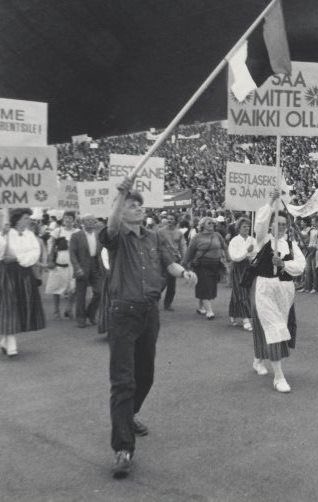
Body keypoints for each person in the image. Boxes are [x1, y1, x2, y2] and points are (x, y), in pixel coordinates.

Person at [101, 177, 196, 479]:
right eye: (132, 205)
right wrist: (119, 196)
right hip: (123, 314)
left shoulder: (153, 237)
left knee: (146, 375)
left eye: (140, 205)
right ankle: (123, 448)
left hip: (148, 314)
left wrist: (184, 272)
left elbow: (169, 263)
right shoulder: (116, 237)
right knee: (123, 381)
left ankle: (129, 416)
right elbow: (111, 224)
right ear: (122, 210)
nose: (138, 209)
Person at [250, 190, 306, 393]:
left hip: (285, 292)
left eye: (283, 225)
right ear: (272, 226)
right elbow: (259, 226)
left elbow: (301, 266)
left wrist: (283, 263)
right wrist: (270, 202)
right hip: (265, 288)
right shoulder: (263, 241)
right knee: (274, 328)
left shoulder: (291, 244)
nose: (281, 228)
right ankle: (279, 377)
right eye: (277, 224)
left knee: (277, 327)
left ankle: (258, 359)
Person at [0, 208, 46, 357]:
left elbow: (34, 254)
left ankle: (6, 340)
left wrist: (17, 258)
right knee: (8, 306)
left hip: (23, 273)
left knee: (19, 306)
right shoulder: (5, 233)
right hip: (6, 273)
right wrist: (2, 235)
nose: (28, 221)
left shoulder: (30, 235)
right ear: (17, 219)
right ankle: (11, 343)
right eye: (25, 218)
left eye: (29, 218)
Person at [183, 216, 227, 319]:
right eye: (209, 223)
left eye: (212, 223)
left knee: (208, 287)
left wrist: (228, 257)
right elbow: (190, 251)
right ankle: (209, 312)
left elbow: (224, 246)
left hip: (215, 265)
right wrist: (185, 264)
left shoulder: (217, 235)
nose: (212, 225)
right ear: (202, 225)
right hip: (202, 265)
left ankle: (200, 307)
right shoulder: (197, 237)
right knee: (205, 286)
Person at [70, 214, 105, 327]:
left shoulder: (98, 235)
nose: (90, 222)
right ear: (83, 223)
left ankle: (91, 313)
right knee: (81, 294)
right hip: (82, 266)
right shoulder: (76, 236)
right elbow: (72, 254)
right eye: (87, 220)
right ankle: (81, 318)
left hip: (95, 266)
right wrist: (77, 268)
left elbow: (103, 251)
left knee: (99, 292)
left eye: (92, 220)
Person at [44, 212, 77, 320]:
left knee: (73, 287)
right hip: (60, 260)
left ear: (74, 220)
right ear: (63, 219)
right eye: (66, 218)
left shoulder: (77, 232)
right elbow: (51, 246)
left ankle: (69, 308)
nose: (68, 220)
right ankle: (56, 310)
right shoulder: (57, 231)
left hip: (73, 261)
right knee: (56, 286)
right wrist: (50, 260)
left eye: (70, 218)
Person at [227, 217, 256, 331]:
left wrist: (252, 255)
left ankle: (233, 313)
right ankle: (246, 319)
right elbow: (235, 257)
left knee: (243, 292)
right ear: (238, 228)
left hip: (249, 267)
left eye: (248, 226)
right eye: (244, 226)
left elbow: (255, 253)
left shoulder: (252, 239)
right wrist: (247, 252)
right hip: (238, 268)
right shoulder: (234, 241)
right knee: (241, 292)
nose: (247, 228)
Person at [157, 212, 186, 311]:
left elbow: (183, 247)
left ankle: (167, 304)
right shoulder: (160, 232)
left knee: (171, 284)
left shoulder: (179, 233)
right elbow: (157, 245)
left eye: (172, 219)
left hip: (174, 260)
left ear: (175, 221)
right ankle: (154, 300)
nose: (169, 221)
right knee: (161, 282)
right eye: (168, 219)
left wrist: (184, 259)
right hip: (162, 260)